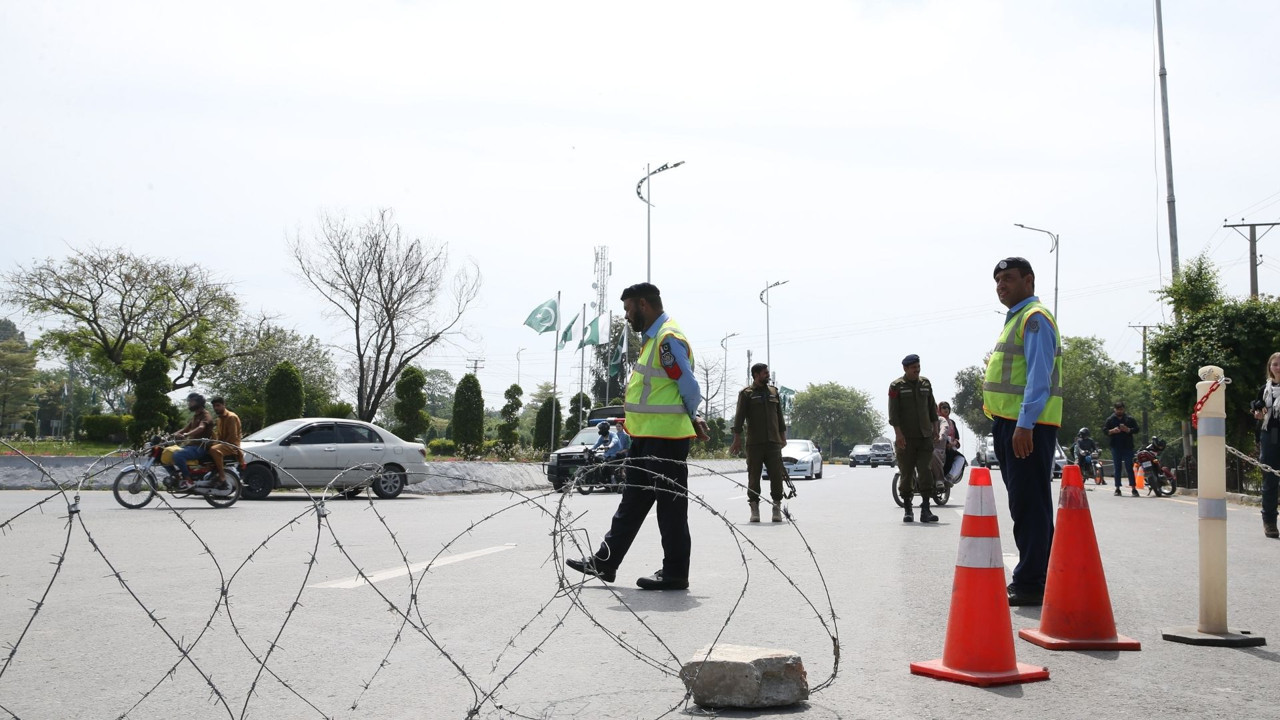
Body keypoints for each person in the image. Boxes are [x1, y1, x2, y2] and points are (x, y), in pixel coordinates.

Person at [566, 283, 710, 591]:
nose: (628, 317)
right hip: (647, 439)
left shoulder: (666, 338)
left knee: (670, 508)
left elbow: (689, 386)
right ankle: (606, 562)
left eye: (629, 310)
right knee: (631, 504)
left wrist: (693, 415)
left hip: (666, 441)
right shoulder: (653, 339)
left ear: (643, 305)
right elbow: (657, 394)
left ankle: (674, 573)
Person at [983, 257, 1062, 607]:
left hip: (1026, 427)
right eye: (998, 280)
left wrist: (1025, 424)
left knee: (1029, 505)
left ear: (1029, 280)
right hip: (1011, 425)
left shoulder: (1034, 319)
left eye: (1010, 279)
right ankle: (1045, 573)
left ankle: (1031, 581)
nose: (1002, 285)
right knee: (1028, 503)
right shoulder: (1016, 318)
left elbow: (1039, 376)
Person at [730, 363, 788, 523]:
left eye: (767, 372)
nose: (767, 374)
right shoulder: (746, 394)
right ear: (756, 374)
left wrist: (782, 436)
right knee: (754, 476)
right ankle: (754, 509)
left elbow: (779, 416)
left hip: (773, 443)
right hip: (754, 443)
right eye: (765, 372)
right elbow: (739, 418)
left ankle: (776, 508)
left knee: (777, 476)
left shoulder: (773, 392)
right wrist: (737, 439)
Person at [889, 354, 939, 523]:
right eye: (913, 368)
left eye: (918, 367)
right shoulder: (896, 386)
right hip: (906, 438)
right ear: (905, 369)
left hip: (925, 437)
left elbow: (932, 407)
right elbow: (893, 413)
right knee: (906, 473)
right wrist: (898, 434)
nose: (917, 370)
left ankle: (926, 508)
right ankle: (908, 509)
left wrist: (936, 428)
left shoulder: (926, 383)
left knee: (925, 471)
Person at [1253, 351, 1280, 539]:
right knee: (1270, 481)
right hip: (1271, 436)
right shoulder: (1265, 389)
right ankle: (1269, 521)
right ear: (1270, 367)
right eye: (1275, 364)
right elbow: (1256, 409)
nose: (1278, 367)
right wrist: (1257, 413)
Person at [170, 393, 214, 490]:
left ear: (199, 402)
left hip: (200, 448)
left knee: (178, 455)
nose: (189, 404)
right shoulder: (195, 416)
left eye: (191, 401)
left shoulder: (206, 415)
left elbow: (201, 427)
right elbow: (184, 429)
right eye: (189, 402)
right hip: (192, 446)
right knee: (168, 454)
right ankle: (178, 478)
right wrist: (171, 435)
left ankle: (188, 480)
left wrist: (186, 435)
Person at [1105, 401, 1141, 497]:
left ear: (1123, 409)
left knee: (1130, 467)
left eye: (1121, 409)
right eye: (1118, 409)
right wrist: (1112, 431)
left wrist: (1128, 430)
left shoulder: (1129, 419)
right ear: (1114, 409)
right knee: (1117, 468)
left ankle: (1133, 488)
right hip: (1116, 446)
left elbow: (1137, 429)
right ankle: (1117, 488)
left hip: (1128, 446)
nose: (1119, 411)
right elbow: (1105, 430)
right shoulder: (1110, 420)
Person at [207, 397, 243, 487]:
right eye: (214, 406)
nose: (216, 408)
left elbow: (232, 436)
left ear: (224, 405)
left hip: (232, 446)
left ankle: (222, 476)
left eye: (218, 405)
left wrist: (218, 444)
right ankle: (212, 474)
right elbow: (219, 436)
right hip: (223, 444)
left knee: (214, 450)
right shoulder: (219, 419)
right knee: (205, 448)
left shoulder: (231, 417)